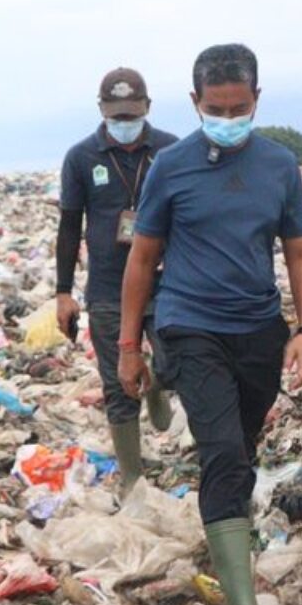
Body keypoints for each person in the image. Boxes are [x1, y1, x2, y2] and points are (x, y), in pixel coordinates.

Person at [119, 44, 302, 605]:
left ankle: (230, 524)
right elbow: (142, 258)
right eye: (215, 109)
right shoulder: (171, 167)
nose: (228, 120)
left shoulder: (278, 165)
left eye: (239, 109)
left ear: (257, 99)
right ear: (194, 101)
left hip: (257, 327)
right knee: (224, 454)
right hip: (189, 322)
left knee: (243, 445)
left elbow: (299, 251)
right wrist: (128, 346)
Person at [57, 67, 178, 494]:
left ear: (147, 107)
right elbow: (69, 226)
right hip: (108, 285)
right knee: (117, 385)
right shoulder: (81, 157)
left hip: (167, 282)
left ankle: (157, 384)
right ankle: (132, 478)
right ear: (102, 110)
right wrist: (63, 292)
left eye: (132, 113)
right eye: (116, 115)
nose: (125, 122)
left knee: (178, 361)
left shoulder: (170, 151)